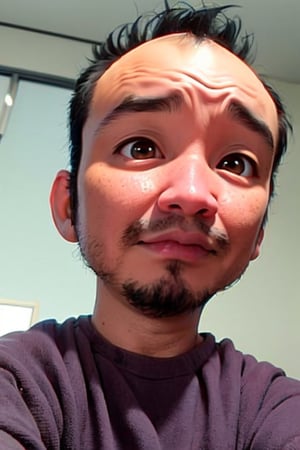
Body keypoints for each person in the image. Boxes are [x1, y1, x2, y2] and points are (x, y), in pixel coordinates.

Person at [0, 2, 299, 449]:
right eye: (140, 147)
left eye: (236, 162)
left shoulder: (277, 409)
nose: (194, 193)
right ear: (68, 205)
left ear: (258, 233)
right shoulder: (16, 383)